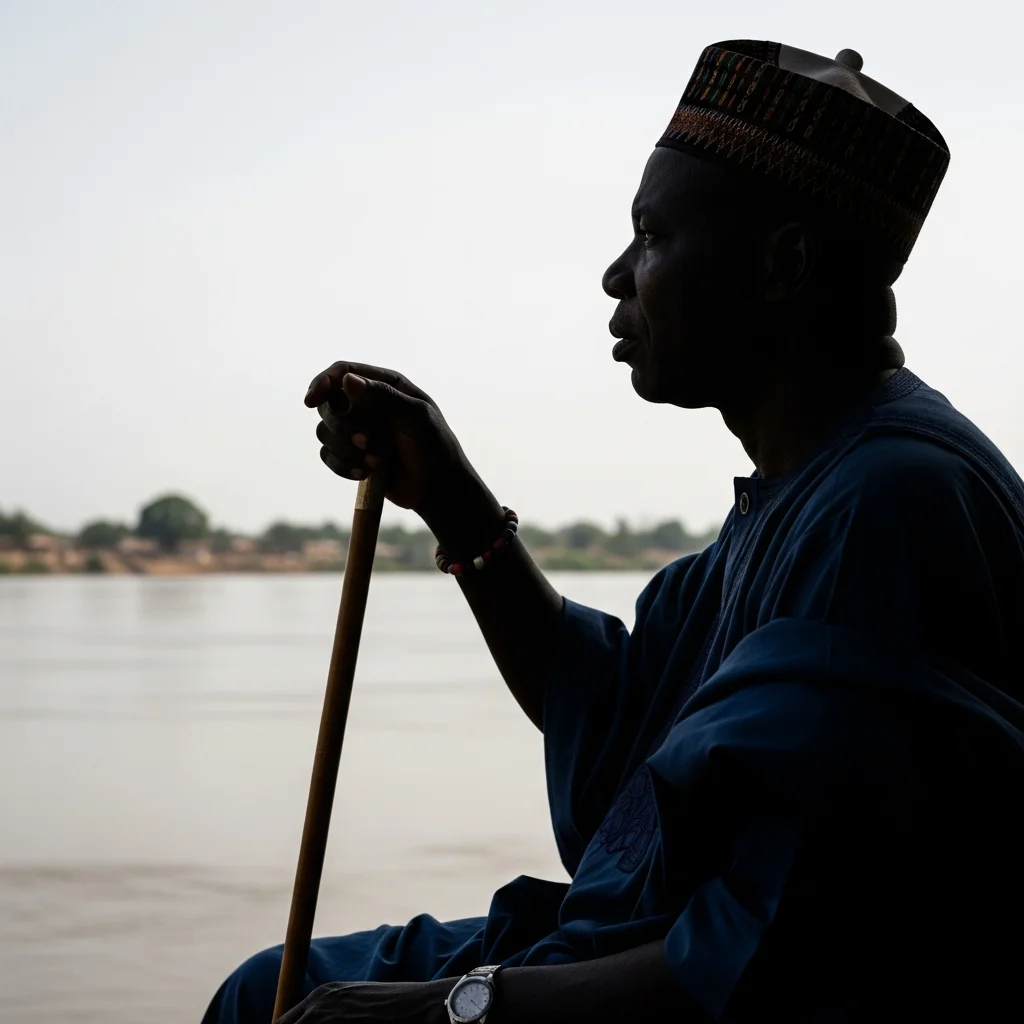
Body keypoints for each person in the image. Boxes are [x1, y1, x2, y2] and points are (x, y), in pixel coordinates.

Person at [203, 40, 1024, 1023]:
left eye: (652, 238)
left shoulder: (888, 505)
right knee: (268, 987)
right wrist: (451, 496)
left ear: (784, 265)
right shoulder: (797, 494)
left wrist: (449, 1011)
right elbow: (621, 737)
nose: (613, 276)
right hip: (643, 942)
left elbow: (781, 952)